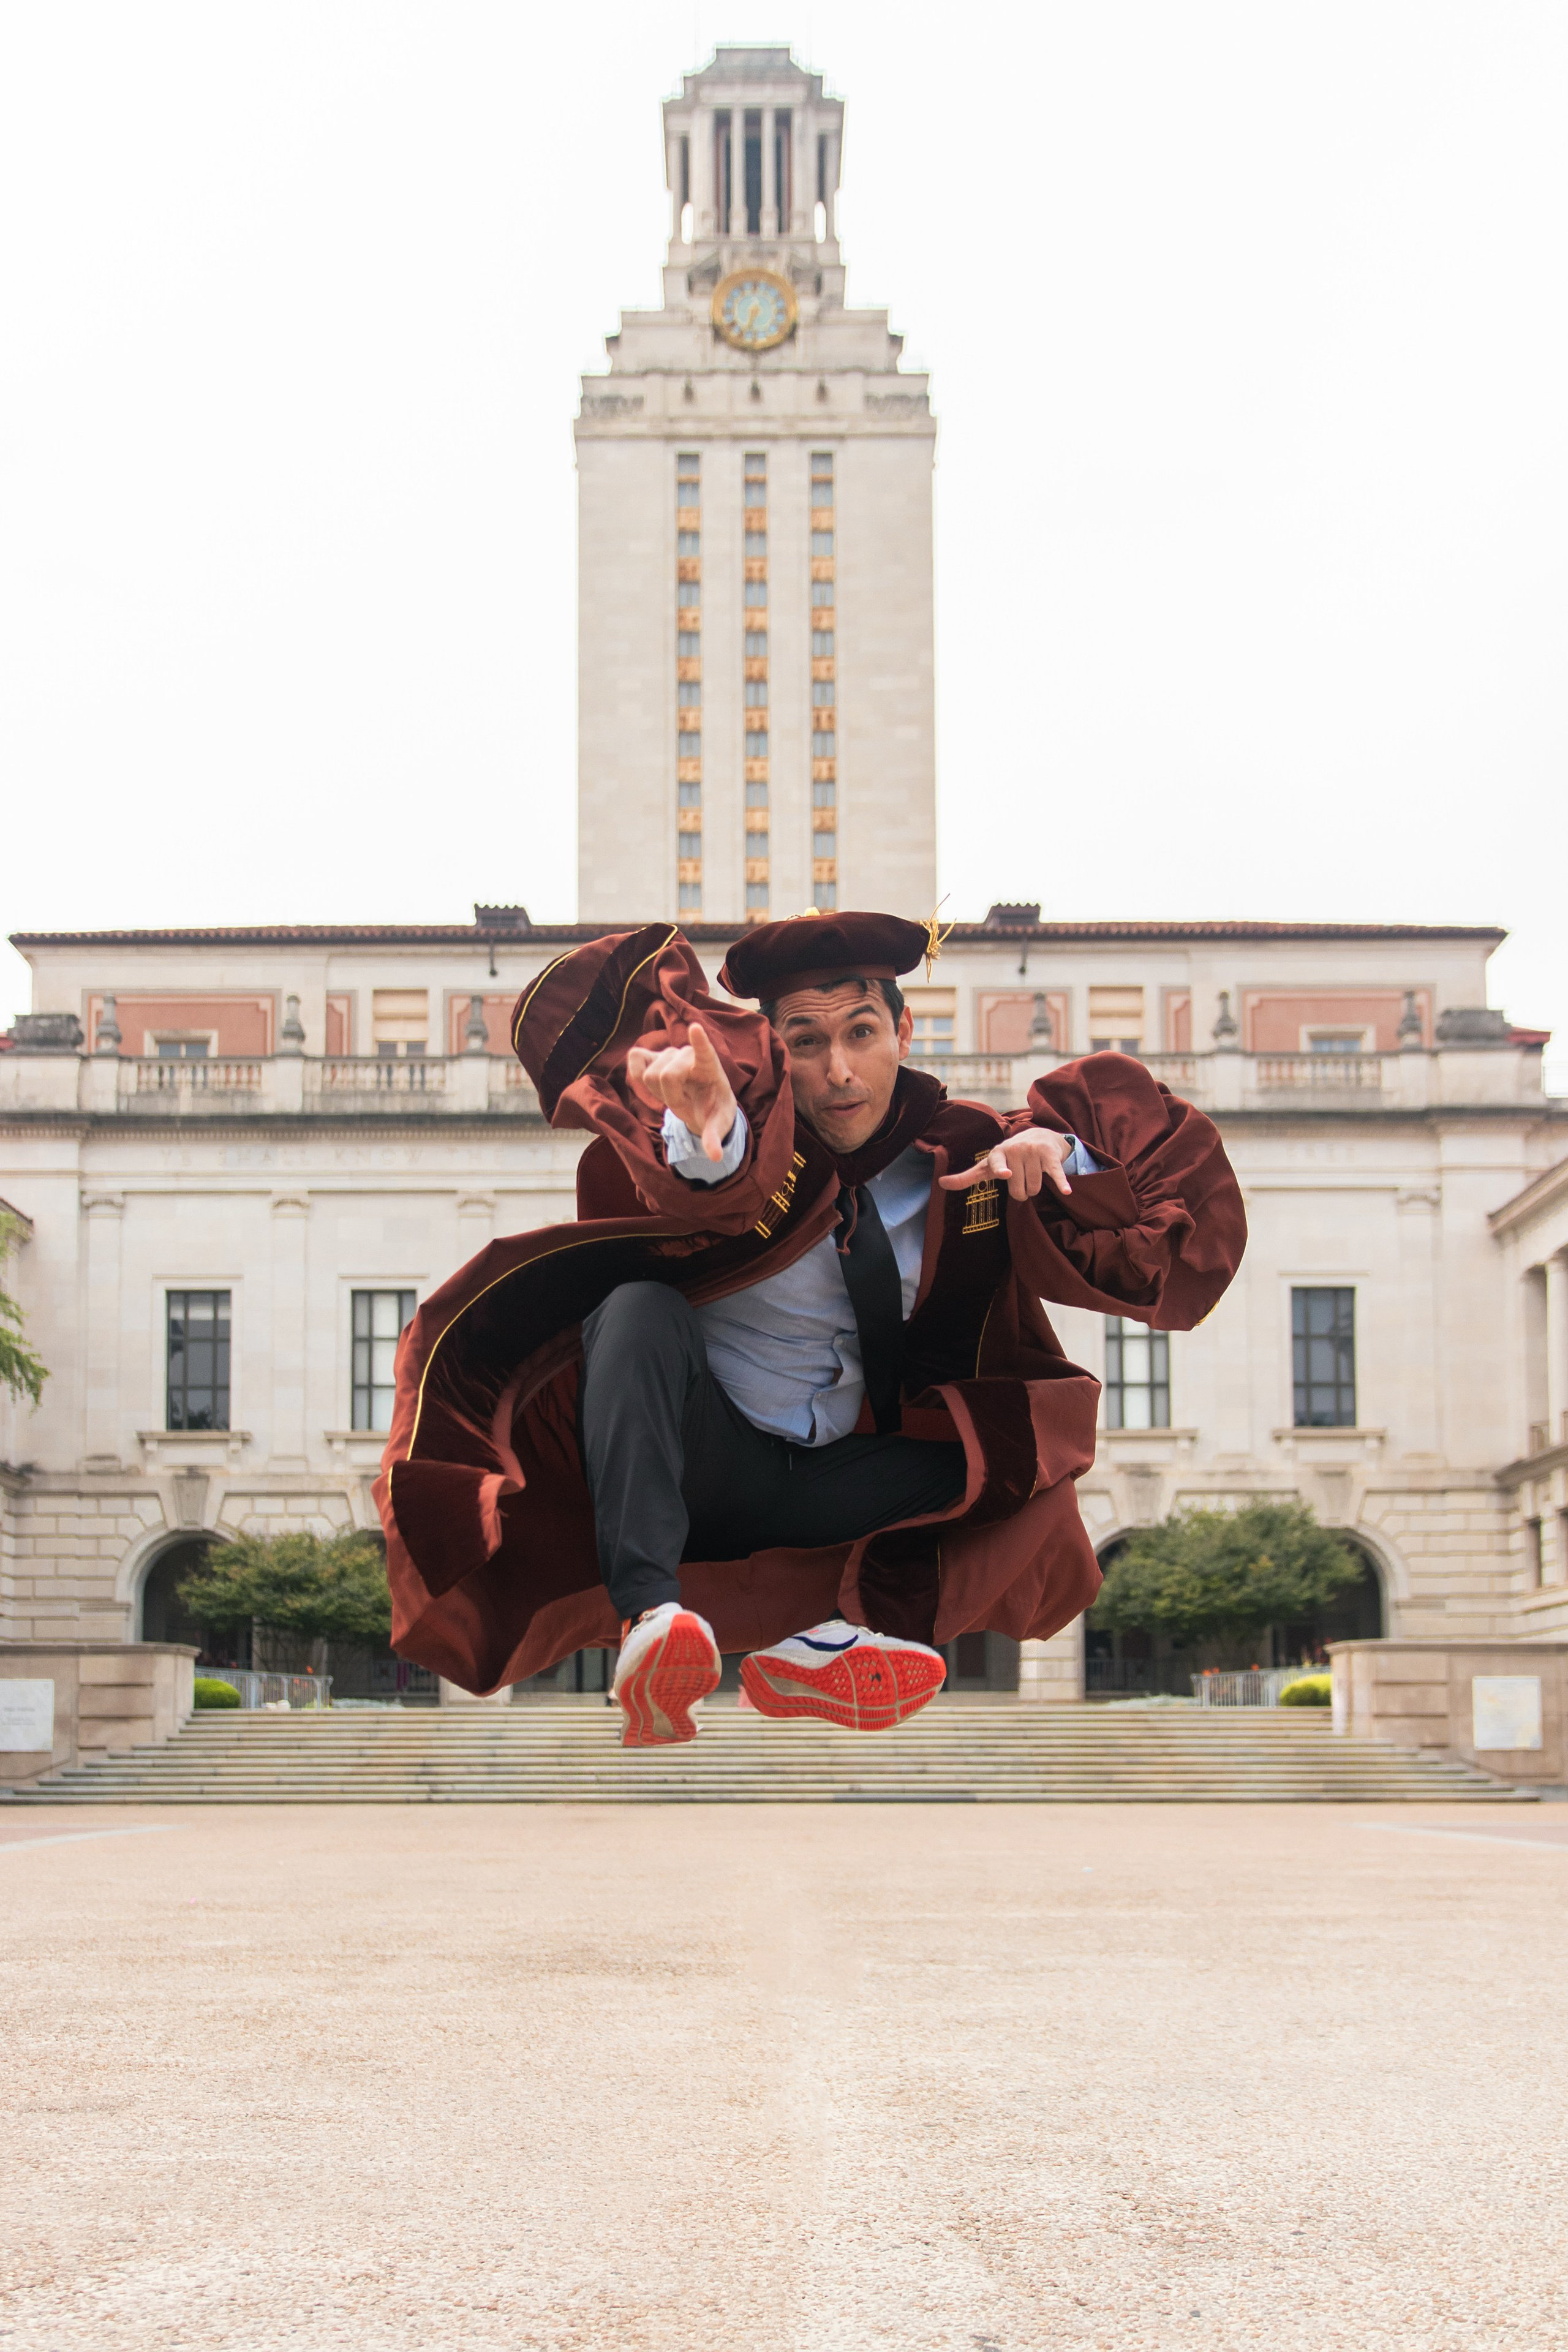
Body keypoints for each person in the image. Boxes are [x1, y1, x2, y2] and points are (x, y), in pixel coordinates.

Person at [374, 911, 1245, 1747]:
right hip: (707, 1466)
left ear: (906, 1036)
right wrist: (706, 1125)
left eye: (861, 1033)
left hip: (851, 1483)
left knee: (1023, 1442)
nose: (839, 1071)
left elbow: (1155, 1246)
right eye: (806, 1042)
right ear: (773, 1053)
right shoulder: (749, 1144)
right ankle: (653, 1619)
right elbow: (701, 1179)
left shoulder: (969, 1153)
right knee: (635, 1310)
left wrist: (1066, 1159)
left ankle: (837, 1640)